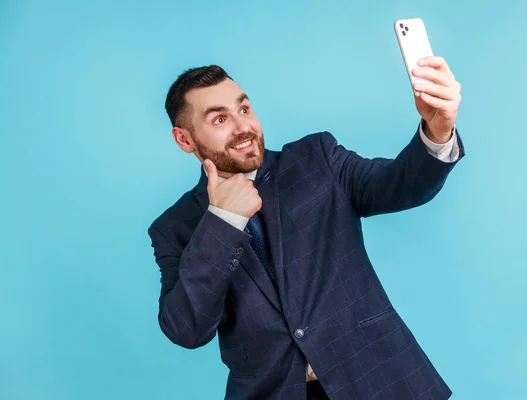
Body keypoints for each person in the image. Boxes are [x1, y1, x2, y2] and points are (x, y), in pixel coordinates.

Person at [147, 58, 464, 400]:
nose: (242, 127)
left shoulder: (316, 160)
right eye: (220, 119)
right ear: (184, 139)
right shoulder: (175, 227)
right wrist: (223, 222)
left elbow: (401, 184)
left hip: (377, 381)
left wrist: (437, 130)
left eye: (244, 108)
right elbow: (186, 329)